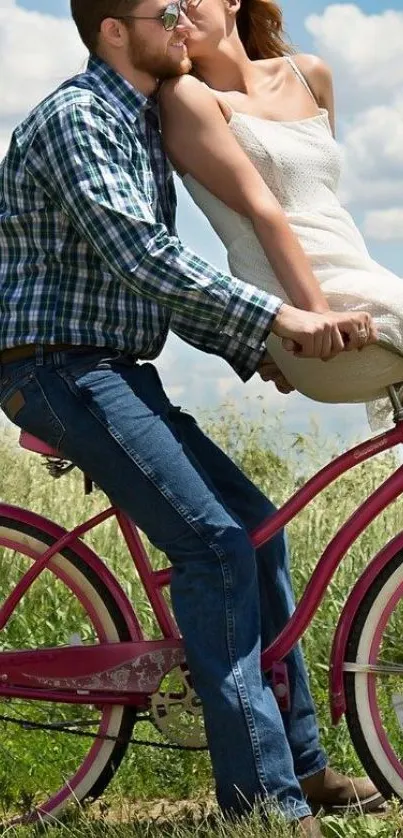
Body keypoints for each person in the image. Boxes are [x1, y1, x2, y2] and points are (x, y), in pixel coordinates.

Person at [0, 2, 380, 836]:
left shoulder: (141, 122)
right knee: (214, 545)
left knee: (258, 528)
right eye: (164, 10)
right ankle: (265, 804)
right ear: (113, 29)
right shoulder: (79, 117)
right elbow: (145, 257)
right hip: (57, 369)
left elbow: (161, 282)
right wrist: (279, 321)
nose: (181, 20)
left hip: (111, 368)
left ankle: (305, 768)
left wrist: (259, 354)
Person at [159, 0, 403, 429]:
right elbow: (263, 211)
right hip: (302, 307)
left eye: (188, 0)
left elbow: (322, 203)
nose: (176, 15)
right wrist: (315, 315)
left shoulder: (310, 75)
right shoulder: (185, 96)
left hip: (360, 278)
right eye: (165, 9)